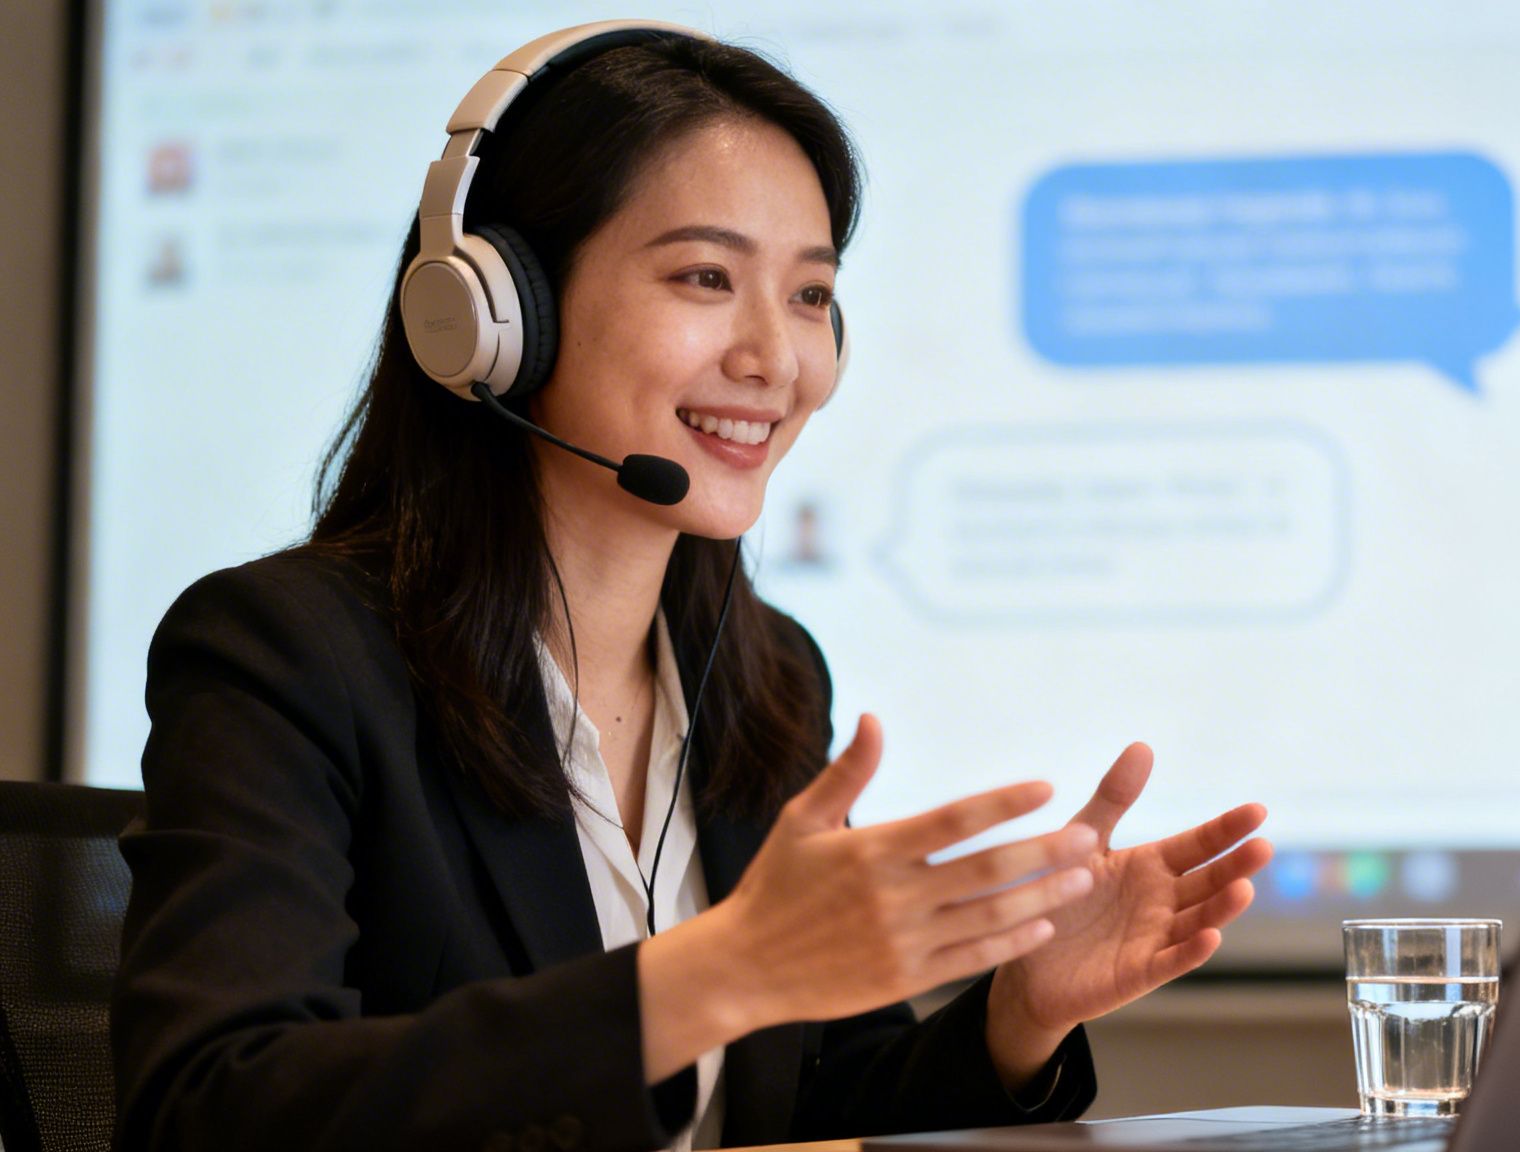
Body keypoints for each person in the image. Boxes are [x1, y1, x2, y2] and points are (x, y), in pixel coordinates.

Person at [110, 22, 1272, 1152]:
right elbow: (213, 1106)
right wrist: (711, 977)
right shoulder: (286, 653)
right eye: (707, 277)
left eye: (810, 295)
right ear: (502, 310)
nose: (776, 358)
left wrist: (1019, 1016)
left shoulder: (761, 671)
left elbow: (812, 1114)